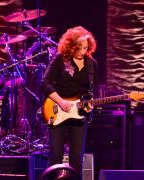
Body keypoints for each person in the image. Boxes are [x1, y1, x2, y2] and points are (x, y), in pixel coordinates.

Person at [41, 26, 97, 179]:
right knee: (56, 155)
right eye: (78, 48)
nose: (82, 52)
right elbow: (45, 83)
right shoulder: (60, 59)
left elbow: (90, 90)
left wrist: (89, 102)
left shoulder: (91, 63)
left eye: (85, 48)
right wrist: (60, 101)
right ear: (71, 46)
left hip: (79, 112)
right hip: (56, 109)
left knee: (77, 157)